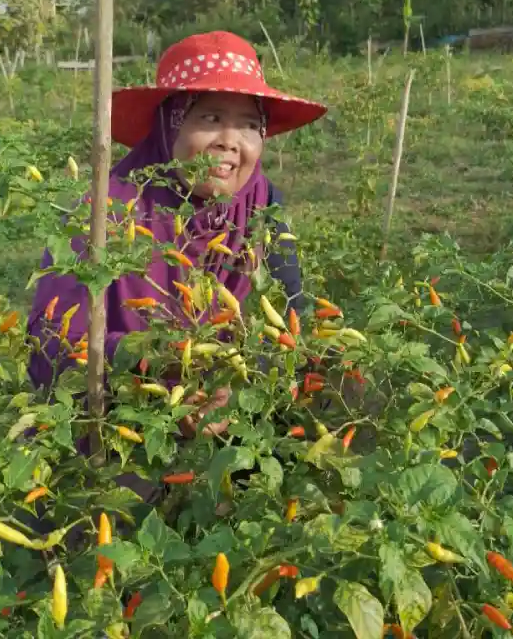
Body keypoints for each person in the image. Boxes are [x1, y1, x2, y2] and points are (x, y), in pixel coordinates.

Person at [26, 30, 328, 440]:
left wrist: (236, 385)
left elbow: (290, 316)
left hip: (231, 412)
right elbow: (51, 344)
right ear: (170, 125)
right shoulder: (102, 214)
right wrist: (158, 363)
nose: (230, 141)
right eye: (211, 118)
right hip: (120, 424)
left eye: (249, 124)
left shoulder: (262, 205)